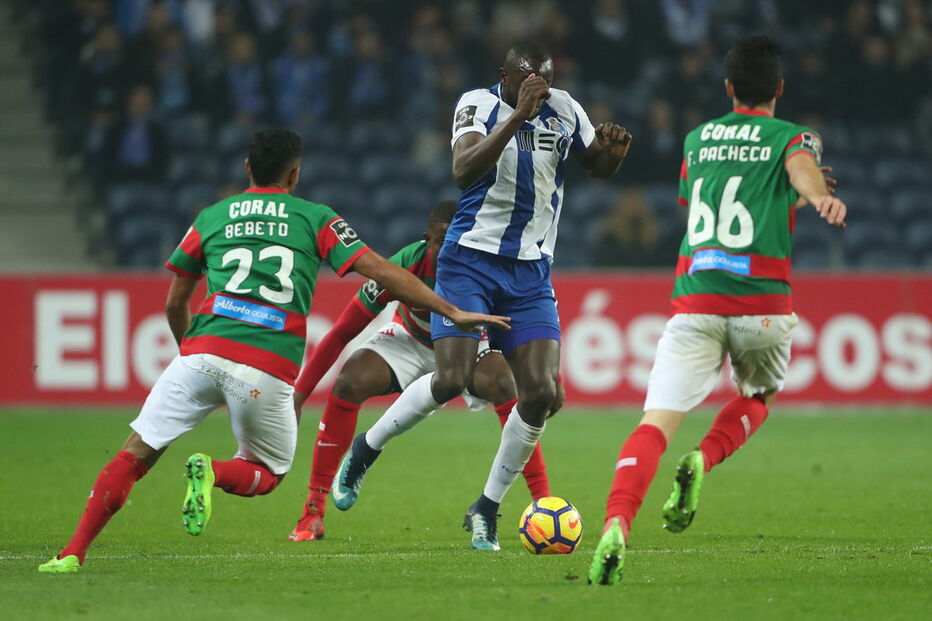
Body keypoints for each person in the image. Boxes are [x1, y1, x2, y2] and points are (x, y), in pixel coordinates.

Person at [39, 129, 508, 573]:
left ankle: (72, 553)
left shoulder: (212, 216)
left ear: (247, 167)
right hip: (264, 369)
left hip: (199, 353)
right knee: (267, 472)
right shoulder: (316, 218)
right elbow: (383, 273)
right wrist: (450, 308)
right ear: (295, 174)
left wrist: (191, 351)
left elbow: (175, 300)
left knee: (133, 454)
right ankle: (214, 472)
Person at [330, 41, 631, 551]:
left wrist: (613, 155)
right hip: (470, 261)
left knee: (541, 392)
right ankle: (365, 448)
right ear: (505, 76)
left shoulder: (566, 110)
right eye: (530, 79)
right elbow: (464, 170)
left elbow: (595, 168)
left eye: (547, 79)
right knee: (450, 378)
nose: (542, 87)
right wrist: (518, 116)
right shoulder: (477, 104)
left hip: (531, 273)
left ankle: (486, 507)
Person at [588, 36, 847, 586]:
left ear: (728, 87)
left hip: (697, 301)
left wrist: (800, 191)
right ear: (778, 87)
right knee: (759, 395)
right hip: (763, 308)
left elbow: (717, 198)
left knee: (654, 423)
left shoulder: (698, 139)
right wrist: (814, 194)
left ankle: (616, 522)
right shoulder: (793, 136)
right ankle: (704, 457)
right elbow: (797, 166)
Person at [288, 201, 555, 542]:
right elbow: (341, 332)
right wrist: (299, 395)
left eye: (459, 239)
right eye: (442, 240)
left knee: (507, 386)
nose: (450, 249)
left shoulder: (486, 266)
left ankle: (544, 507)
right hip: (411, 342)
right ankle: (313, 510)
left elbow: (525, 328)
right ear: (426, 239)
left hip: (468, 349)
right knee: (351, 379)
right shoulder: (405, 266)